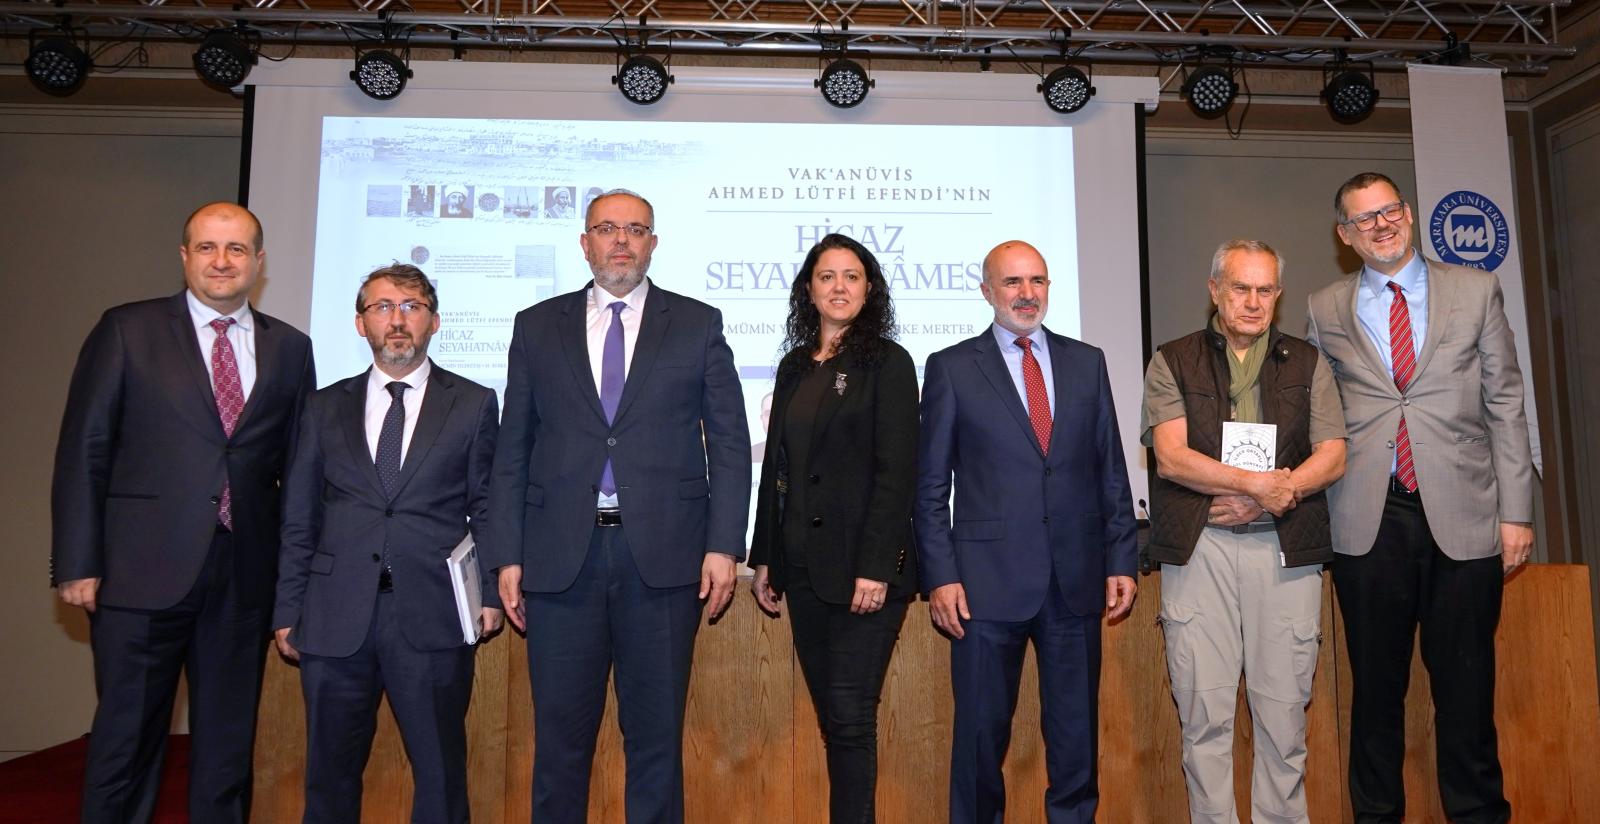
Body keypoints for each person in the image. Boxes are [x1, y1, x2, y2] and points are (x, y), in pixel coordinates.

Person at [488, 189, 751, 824]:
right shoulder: (536, 325)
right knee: (559, 745)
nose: (622, 241)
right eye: (608, 229)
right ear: (585, 243)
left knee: (656, 742)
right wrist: (507, 554)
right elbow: (513, 446)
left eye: (636, 229)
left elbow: (729, 442)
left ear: (653, 243)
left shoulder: (697, 323)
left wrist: (723, 545)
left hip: (663, 561)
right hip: (559, 561)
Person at [50, 202, 316, 823]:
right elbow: (84, 449)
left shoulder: (291, 348)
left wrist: (294, 582)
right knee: (126, 742)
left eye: (236, 249)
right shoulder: (127, 330)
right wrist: (77, 560)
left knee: (226, 749)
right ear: (184, 256)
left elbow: (301, 471)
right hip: (138, 574)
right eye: (207, 248)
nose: (222, 261)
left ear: (259, 261)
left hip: (243, 577)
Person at [1306, 172, 1535, 824]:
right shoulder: (1324, 307)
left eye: (1389, 211)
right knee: (1375, 695)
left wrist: (1516, 513)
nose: (1380, 225)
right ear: (1345, 235)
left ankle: (1479, 814)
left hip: (1466, 514)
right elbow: (1319, 414)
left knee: (1467, 691)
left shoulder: (1475, 288)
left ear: (1407, 213)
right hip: (1368, 519)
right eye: (1364, 218)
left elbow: (1506, 402)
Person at [915, 240, 1138, 823]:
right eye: (1012, 282)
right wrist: (940, 576)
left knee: (1076, 743)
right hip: (983, 588)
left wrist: (1121, 559)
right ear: (986, 291)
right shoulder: (952, 367)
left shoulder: (1086, 362)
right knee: (979, 741)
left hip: (1075, 580)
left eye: (1037, 280)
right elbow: (930, 487)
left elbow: (1111, 470)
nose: (1026, 293)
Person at [272, 264, 502, 823]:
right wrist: (287, 609)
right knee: (329, 775)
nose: (397, 320)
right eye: (382, 307)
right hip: (333, 616)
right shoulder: (323, 407)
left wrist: (491, 593)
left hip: (431, 615)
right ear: (360, 324)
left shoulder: (473, 403)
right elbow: (300, 516)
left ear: (434, 322)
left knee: (440, 774)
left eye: (411, 307)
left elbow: (488, 507)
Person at [1142, 240, 1346, 824]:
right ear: (1215, 291)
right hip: (1200, 549)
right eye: (1240, 288)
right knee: (1203, 717)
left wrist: (1280, 492)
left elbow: (1332, 454)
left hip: (1285, 551)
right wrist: (1256, 485)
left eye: (1265, 290)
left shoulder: (1307, 362)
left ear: (1278, 296)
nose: (1253, 302)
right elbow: (1172, 458)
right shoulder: (1172, 359)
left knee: (1283, 718)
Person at [749, 234, 919, 822]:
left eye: (852, 276)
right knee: (834, 720)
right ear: (809, 290)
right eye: (827, 276)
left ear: (869, 290)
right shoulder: (795, 366)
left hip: (862, 577)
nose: (839, 287)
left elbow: (898, 473)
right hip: (802, 571)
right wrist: (765, 557)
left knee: (850, 720)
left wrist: (877, 567)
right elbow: (776, 469)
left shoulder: (888, 363)